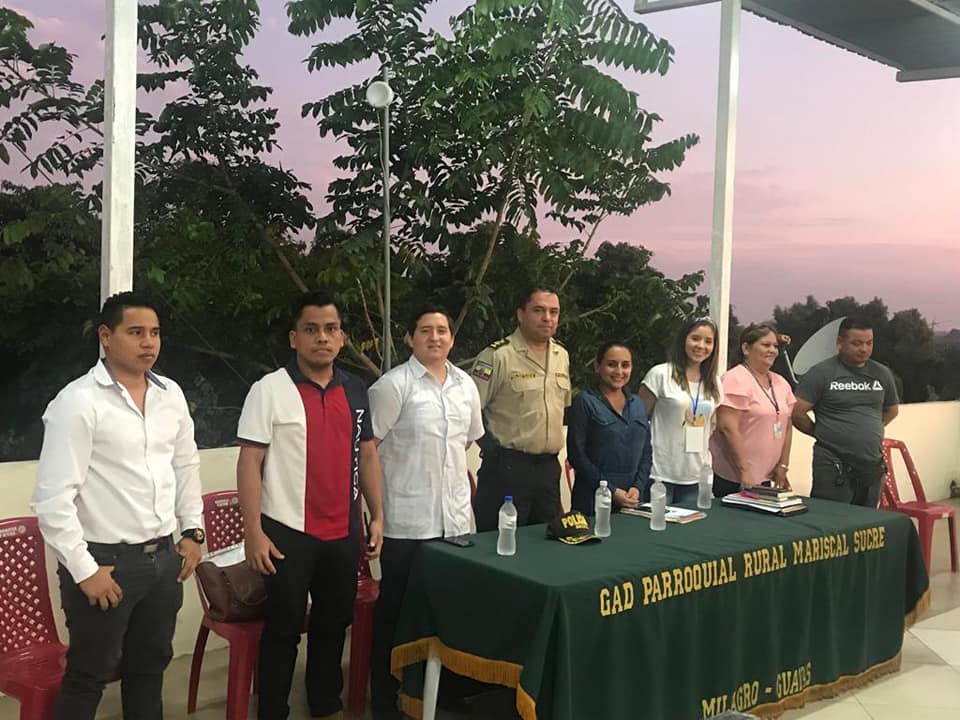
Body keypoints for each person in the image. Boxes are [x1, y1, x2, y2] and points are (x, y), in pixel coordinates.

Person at [31, 292, 204, 720]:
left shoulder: (170, 394)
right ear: (106, 336)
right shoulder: (78, 402)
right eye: (136, 332)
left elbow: (185, 464)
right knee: (88, 676)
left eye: (155, 333)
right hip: (105, 563)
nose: (149, 342)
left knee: (150, 669)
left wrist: (192, 530)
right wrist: (84, 570)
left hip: (164, 559)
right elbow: (52, 500)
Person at [236, 291, 384, 720]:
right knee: (282, 629)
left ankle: (324, 705)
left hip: (343, 531)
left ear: (341, 337)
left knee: (333, 624)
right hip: (287, 532)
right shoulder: (269, 390)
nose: (322, 337)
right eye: (311, 329)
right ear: (294, 338)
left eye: (331, 329)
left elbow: (368, 455)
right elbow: (250, 461)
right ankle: (273, 711)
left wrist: (378, 515)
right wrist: (253, 532)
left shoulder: (355, 389)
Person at [368, 307, 484, 720]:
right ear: (410, 337)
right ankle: (386, 698)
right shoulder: (392, 386)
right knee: (397, 612)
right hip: (406, 521)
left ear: (452, 338)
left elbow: (466, 441)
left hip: (455, 522)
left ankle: (443, 692)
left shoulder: (465, 385)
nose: (435, 337)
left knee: (447, 610)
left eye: (442, 331)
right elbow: (368, 450)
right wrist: (376, 513)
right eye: (425, 331)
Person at [469, 286, 571, 530]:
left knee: (544, 542)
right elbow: (470, 411)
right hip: (507, 469)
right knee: (500, 543)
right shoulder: (497, 355)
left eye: (554, 312)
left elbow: (562, 408)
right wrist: (493, 452)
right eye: (539, 310)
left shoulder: (562, 355)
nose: (547, 318)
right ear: (521, 314)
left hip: (548, 470)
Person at [791, 317, 899, 507]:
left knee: (867, 522)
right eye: (857, 343)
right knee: (833, 518)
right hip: (833, 462)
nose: (864, 349)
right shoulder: (821, 373)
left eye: (869, 343)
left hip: (872, 465)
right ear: (840, 343)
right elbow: (797, 413)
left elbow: (892, 410)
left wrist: (869, 429)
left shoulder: (881, 373)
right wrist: (821, 432)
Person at [639, 318, 722, 504]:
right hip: (660, 473)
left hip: (696, 475)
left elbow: (712, 425)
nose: (701, 346)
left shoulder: (714, 382)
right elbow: (638, 421)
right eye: (695, 338)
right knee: (656, 522)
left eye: (708, 341)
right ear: (683, 339)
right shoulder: (660, 374)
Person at [711, 324, 796, 497]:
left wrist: (783, 465)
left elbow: (787, 425)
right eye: (766, 345)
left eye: (775, 346)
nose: (772, 350)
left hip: (766, 477)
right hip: (735, 477)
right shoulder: (735, 379)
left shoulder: (781, 382)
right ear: (746, 348)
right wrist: (745, 470)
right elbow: (727, 428)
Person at [566, 342, 652, 514]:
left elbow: (646, 451)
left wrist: (638, 486)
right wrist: (611, 490)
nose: (619, 371)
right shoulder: (584, 401)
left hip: (633, 499)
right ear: (597, 366)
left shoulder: (637, 403)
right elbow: (577, 455)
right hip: (592, 499)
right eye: (611, 364)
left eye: (625, 365)